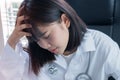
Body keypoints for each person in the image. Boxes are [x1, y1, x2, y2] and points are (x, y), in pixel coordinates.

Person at [0, 0, 120, 80]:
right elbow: (8, 77)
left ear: (65, 20)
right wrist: (12, 40)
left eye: (46, 35)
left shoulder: (102, 46)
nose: (44, 45)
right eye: (37, 40)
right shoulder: (34, 57)